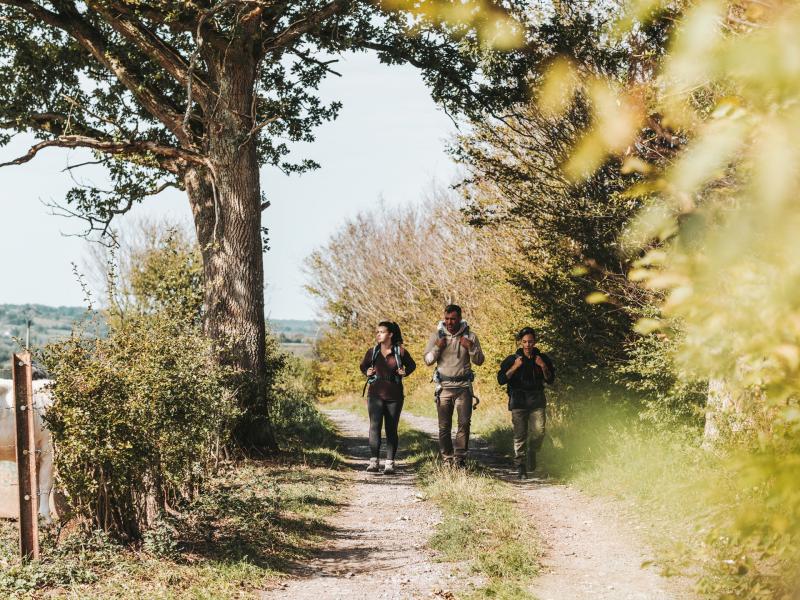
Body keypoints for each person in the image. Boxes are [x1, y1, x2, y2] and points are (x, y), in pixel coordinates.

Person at [423, 304, 484, 468]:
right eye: (447, 319)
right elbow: (428, 361)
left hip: (463, 387)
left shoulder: (470, 336)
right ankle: (447, 459)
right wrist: (438, 347)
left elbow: (479, 360)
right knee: (444, 426)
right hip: (443, 387)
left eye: (453, 319)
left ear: (460, 318)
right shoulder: (436, 336)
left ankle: (460, 459)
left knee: (464, 424)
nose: (449, 322)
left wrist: (470, 347)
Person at [497, 327, 555, 479]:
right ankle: (520, 465)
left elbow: (550, 380)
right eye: (525, 342)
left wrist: (543, 366)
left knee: (539, 432)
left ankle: (532, 450)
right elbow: (501, 380)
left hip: (537, 400)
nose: (528, 345)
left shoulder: (542, 358)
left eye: (530, 341)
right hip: (518, 401)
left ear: (535, 342)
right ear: (520, 342)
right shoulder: (512, 359)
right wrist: (515, 367)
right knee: (520, 435)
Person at [359, 321, 416, 475]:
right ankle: (374, 462)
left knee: (391, 429)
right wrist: (367, 372)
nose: (378, 334)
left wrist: (405, 372)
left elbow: (412, 365)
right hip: (374, 395)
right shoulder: (372, 351)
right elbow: (363, 366)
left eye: (382, 332)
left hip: (394, 396)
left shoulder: (400, 352)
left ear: (390, 334)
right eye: (377, 332)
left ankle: (389, 464)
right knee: (374, 427)